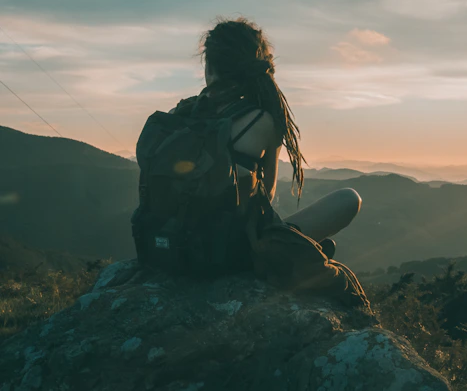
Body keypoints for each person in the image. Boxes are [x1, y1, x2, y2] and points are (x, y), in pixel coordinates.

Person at [132, 17, 369, 310]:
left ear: (209, 67)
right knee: (348, 199)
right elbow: (267, 195)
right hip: (229, 257)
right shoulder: (261, 121)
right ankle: (303, 254)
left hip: (165, 251)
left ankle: (303, 251)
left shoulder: (176, 116)